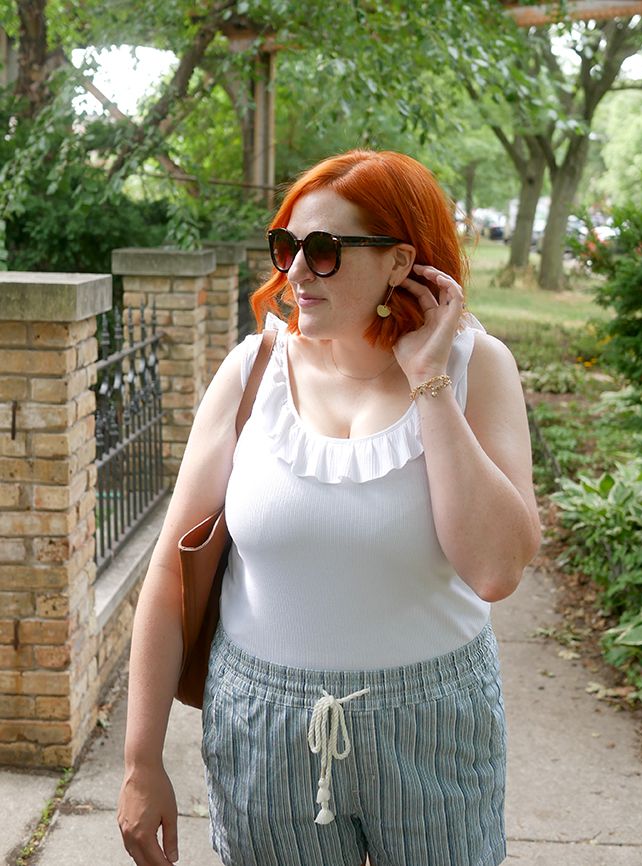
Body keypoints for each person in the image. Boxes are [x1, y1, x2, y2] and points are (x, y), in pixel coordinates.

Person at [118, 149, 540, 866]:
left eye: (324, 251)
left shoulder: (476, 367)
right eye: (287, 247)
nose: (294, 273)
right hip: (265, 728)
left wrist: (429, 381)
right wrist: (140, 761)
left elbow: (497, 571)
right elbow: (168, 574)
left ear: (400, 261)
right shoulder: (250, 371)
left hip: (433, 725)